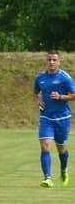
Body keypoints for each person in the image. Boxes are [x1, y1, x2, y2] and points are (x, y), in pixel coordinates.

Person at [33, 50, 74, 187]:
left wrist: (61, 97)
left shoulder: (64, 78)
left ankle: (63, 170)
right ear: (46, 61)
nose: (51, 62)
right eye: (49, 60)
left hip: (63, 118)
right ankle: (47, 178)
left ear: (59, 62)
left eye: (54, 60)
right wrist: (37, 100)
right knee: (45, 146)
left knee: (61, 148)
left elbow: (74, 95)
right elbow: (35, 93)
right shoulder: (40, 77)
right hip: (46, 117)